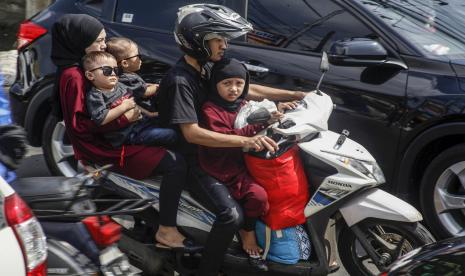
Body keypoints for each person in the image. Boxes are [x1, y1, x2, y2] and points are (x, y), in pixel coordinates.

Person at [156, 4, 304, 275]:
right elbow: (192, 134)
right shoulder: (181, 80)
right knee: (231, 216)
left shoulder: (205, 68)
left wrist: (294, 96)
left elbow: (246, 89)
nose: (224, 45)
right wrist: (245, 141)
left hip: (221, 152)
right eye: (218, 39)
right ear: (199, 42)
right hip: (196, 159)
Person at [50, 14, 200, 252]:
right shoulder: (74, 75)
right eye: (98, 40)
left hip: (118, 135)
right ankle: (167, 230)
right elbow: (79, 126)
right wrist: (123, 117)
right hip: (107, 148)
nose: (103, 45)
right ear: (79, 40)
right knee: (176, 163)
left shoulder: (85, 65)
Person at [199, 58, 288, 260]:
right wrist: (258, 126)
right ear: (215, 85)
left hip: (244, 164)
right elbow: (231, 136)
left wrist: (279, 110)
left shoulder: (244, 104)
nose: (234, 89)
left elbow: (259, 113)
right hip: (220, 169)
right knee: (257, 197)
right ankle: (246, 231)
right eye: (227, 83)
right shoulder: (210, 110)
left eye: (239, 83)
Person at [82, 51, 176, 147]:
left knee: (174, 121)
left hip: (142, 123)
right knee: (170, 134)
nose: (113, 73)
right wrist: (123, 107)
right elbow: (101, 118)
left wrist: (149, 114)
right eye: (107, 70)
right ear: (90, 75)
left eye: (116, 70)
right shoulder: (96, 95)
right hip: (128, 135)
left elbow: (133, 102)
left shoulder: (120, 86)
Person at [106, 37, 159, 113]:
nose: (140, 58)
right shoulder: (129, 79)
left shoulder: (121, 76)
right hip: (144, 108)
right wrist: (157, 86)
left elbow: (139, 87)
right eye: (137, 56)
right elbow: (145, 92)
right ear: (125, 63)